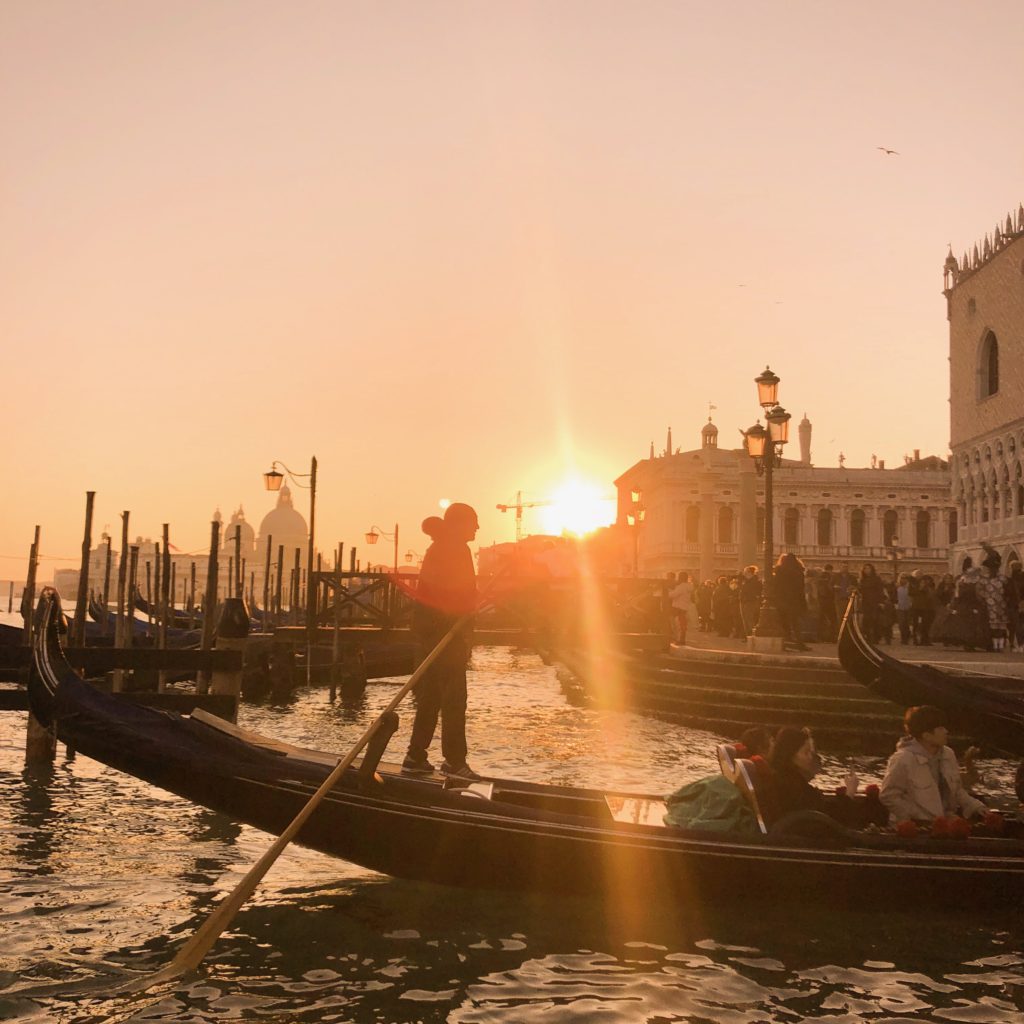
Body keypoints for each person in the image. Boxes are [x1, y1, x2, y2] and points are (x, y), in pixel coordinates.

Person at [404, 502, 481, 780]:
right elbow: (443, 589)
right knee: (454, 699)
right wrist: (459, 615)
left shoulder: (443, 547)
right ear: (459, 524)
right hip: (444, 634)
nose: (477, 528)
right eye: (473, 522)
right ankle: (454, 761)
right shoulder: (453, 548)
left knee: (431, 697)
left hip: (437, 632)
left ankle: (415, 755)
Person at [879, 705, 987, 824]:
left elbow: (957, 791)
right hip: (912, 828)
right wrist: (916, 817)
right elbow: (888, 795)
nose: (946, 731)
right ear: (927, 735)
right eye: (940, 728)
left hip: (945, 821)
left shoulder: (948, 754)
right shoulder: (903, 759)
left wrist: (977, 807)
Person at [765, 726, 858, 825]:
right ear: (790, 755)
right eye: (806, 752)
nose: (810, 757)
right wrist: (849, 793)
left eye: (811, 752)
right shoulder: (790, 784)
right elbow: (828, 816)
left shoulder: (791, 779)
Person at [774, 553, 807, 648]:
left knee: (784, 622)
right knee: (795, 623)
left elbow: (776, 586)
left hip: (782, 600)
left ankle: (786, 640)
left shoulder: (779, 571)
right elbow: (801, 588)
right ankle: (799, 642)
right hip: (795, 600)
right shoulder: (799, 572)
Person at [857, 563, 885, 644]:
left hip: (874, 602)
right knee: (866, 620)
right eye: (865, 569)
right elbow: (860, 590)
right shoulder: (862, 580)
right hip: (865, 602)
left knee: (875, 620)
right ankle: (868, 637)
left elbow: (880, 590)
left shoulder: (876, 579)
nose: (867, 570)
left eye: (868, 568)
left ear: (872, 570)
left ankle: (876, 638)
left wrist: (881, 602)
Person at [669, 571, 697, 645]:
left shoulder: (682, 586)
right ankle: (682, 639)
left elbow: (673, 595)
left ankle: (677, 639)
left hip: (677, 607)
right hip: (684, 607)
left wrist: (668, 592)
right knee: (682, 624)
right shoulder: (688, 586)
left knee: (674, 622)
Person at [738, 565, 762, 638]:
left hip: (750, 601)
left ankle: (751, 636)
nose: (744, 573)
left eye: (746, 572)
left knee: (749, 619)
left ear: (750, 572)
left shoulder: (755, 581)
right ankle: (747, 636)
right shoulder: (746, 581)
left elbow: (754, 591)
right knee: (745, 620)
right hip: (743, 601)